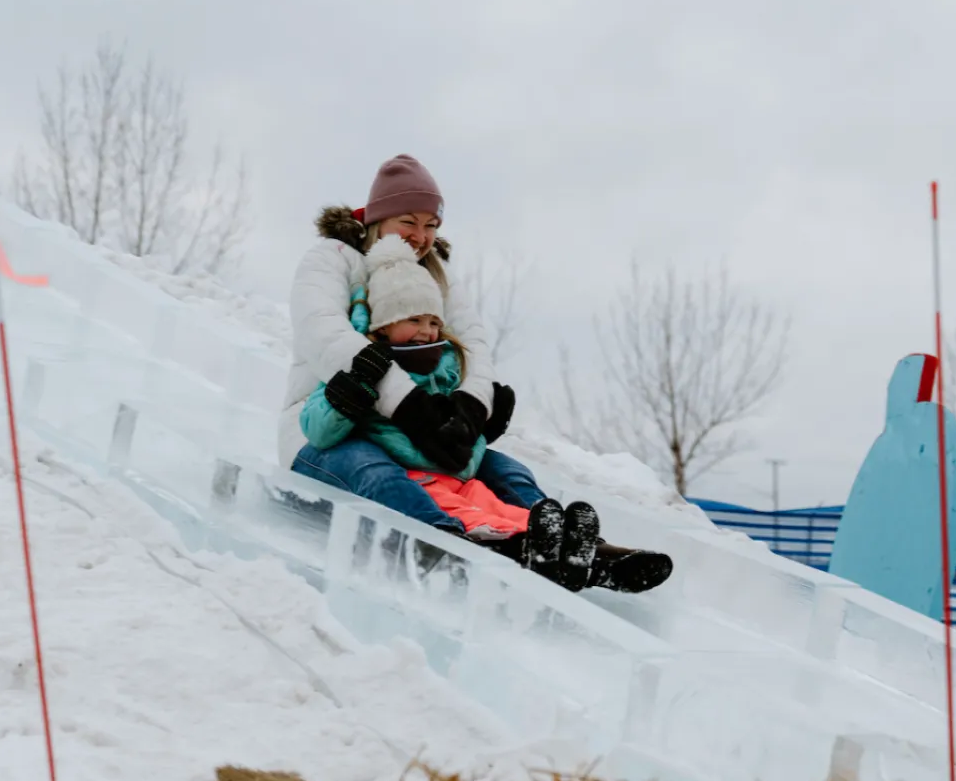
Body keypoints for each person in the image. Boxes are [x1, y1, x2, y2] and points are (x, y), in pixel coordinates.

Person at [281, 153, 671, 593]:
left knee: (503, 470)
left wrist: (469, 408)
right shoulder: (332, 259)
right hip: (331, 430)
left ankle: (570, 546)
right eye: (409, 222)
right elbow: (327, 337)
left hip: (417, 436)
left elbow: (473, 343)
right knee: (374, 470)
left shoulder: (436, 274)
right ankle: (456, 544)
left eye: (431, 226)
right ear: (377, 219)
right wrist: (412, 409)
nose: (421, 236)